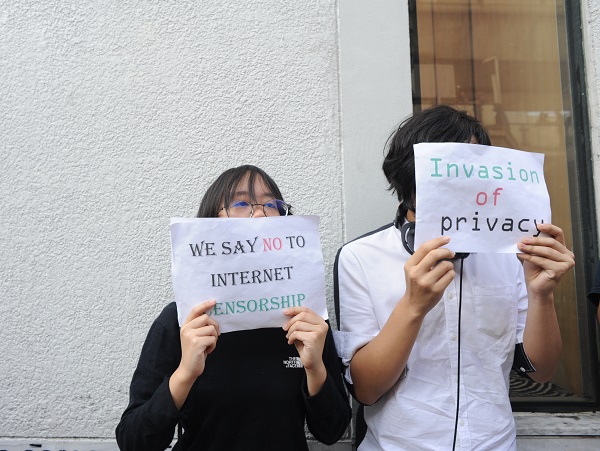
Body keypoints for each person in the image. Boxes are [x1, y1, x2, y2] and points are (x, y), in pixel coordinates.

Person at [334, 105, 575, 450]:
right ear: (409, 178)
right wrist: (413, 306)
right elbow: (366, 390)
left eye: (475, 169)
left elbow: (541, 371)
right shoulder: (360, 257)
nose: (464, 184)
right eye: (447, 170)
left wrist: (542, 295)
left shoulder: (511, 256)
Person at [116, 165, 351, 451]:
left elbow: (332, 431)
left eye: (271, 205)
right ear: (207, 226)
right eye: (241, 203)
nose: (261, 213)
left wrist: (315, 369)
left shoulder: (305, 319)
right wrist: (184, 374)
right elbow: (133, 441)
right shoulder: (182, 323)